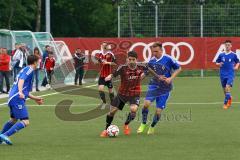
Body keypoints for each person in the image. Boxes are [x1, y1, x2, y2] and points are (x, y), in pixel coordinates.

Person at [137, 42, 181, 135]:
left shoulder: (168, 59)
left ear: (161, 50)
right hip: (153, 86)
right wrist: (139, 77)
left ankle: (152, 126)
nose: (154, 53)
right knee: (146, 104)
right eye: (153, 51)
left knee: (158, 111)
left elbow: (179, 68)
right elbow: (146, 72)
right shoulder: (151, 60)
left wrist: (170, 78)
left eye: (156, 51)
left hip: (165, 89)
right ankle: (143, 123)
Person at [100, 51, 147, 137]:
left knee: (133, 110)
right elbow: (113, 74)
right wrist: (108, 77)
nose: (131, 61)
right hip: (122, 94)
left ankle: (126, 124)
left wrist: (145, 74)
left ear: (136, 60)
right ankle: (106, 129)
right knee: (112, 112)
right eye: (130, 59)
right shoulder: (122, 67)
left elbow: (143, 75)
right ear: (127, 59)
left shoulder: (141, 67)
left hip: (134, 93)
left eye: (133, 59)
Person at [0, 55, 44, 145]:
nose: (39, 63)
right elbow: (21, 80)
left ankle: (1, 137)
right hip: (17, 98)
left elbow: (26, 91)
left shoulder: (25, 69)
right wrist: (20, 92)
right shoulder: (29, 70)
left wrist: (36, 99)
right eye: (38, 61)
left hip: (13, 97)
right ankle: (5, 135)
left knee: (13, 119)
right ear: (35, 62)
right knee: (25, 121)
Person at [215, 40, 239, 110]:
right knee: (225, 91)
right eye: (226, 45)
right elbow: (217, 62)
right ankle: (229, 98)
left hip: (230, 74)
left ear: (231, 46)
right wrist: (219, 64)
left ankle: (225, 104)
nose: (227, 46)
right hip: (222, 74)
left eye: (229, 45)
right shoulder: (221, 54)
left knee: (227, 87)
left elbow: (238, 62)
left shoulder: (233, 55)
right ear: (224, 46)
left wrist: (237, 66)